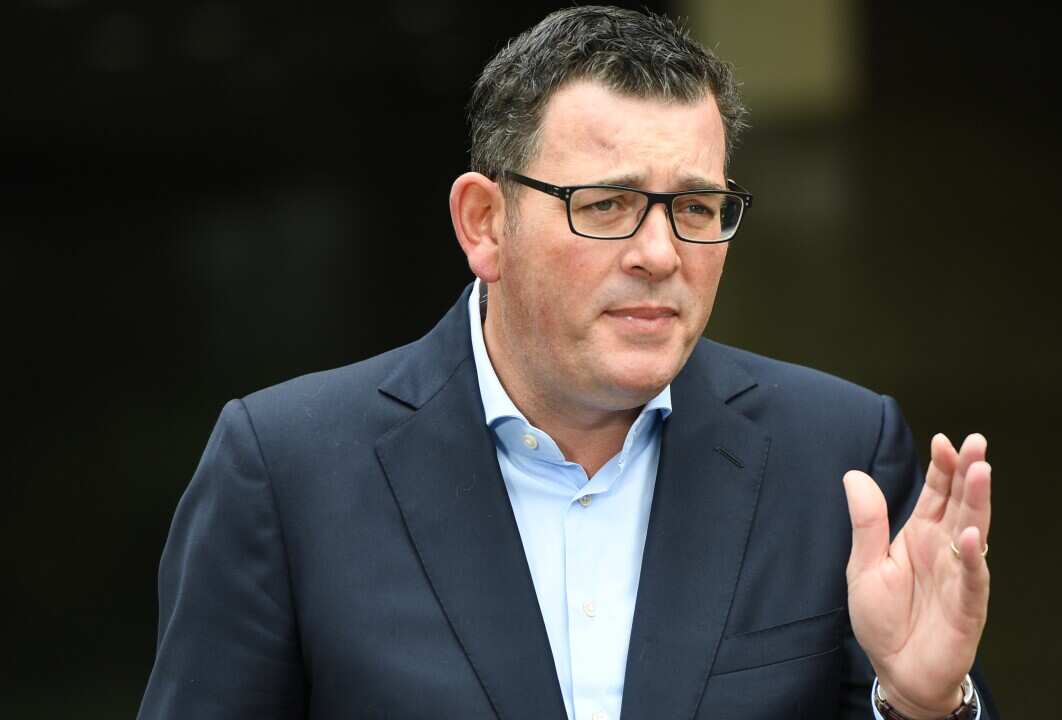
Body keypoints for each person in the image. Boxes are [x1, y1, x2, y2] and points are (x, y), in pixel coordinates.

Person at [139, 6, 995, 719]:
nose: (661, 252)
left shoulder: (838, 453)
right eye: (610, 204)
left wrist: (923, 706)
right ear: (484, 223)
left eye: (696, 206)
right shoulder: (288, 469)